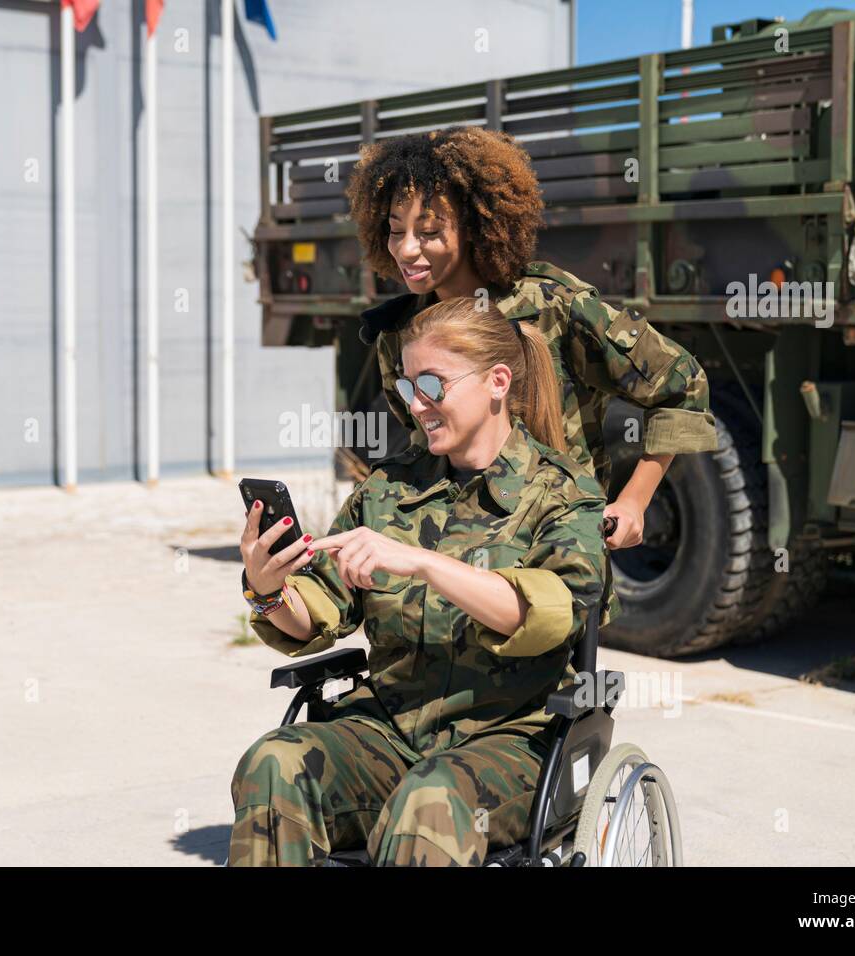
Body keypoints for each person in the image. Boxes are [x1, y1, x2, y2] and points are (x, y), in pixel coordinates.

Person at [229, 295, 607, 866]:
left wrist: (425, 562)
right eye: (408, 388)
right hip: (388, 731)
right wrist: (269, 589)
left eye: (433, 384)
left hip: (508, 741)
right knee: (274, 763)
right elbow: (321, 609)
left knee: (430, 798)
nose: (418, 404)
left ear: (497, 381)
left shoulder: (562, 496)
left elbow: (548, 616)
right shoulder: (388, 490)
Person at [346, 125, 718, 560]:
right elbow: (424, 450)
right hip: (455, 570)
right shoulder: (400, 334)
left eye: (429, 232)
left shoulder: (554, 306)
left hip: (555, 563)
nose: (407, 249)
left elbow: (682, 386)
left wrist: (635, 499)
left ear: (476, 225)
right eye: (395, 230)